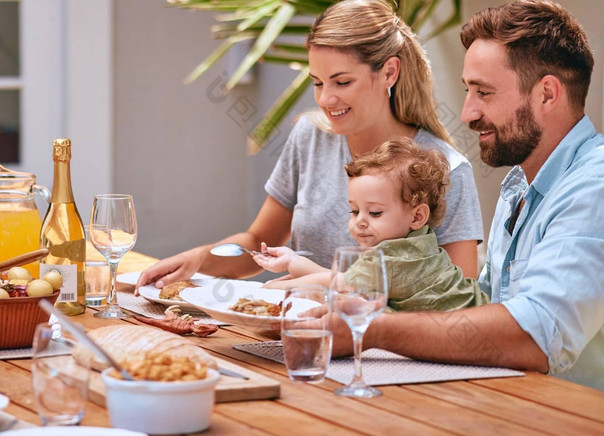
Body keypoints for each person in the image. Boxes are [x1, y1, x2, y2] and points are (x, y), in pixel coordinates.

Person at [327, 0, 604, 416]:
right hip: (541, 412)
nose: (467, 112)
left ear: (547, 94)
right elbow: (487, 311)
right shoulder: (519, 187)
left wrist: (370, 330)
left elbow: (533, 337)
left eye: (483, 92)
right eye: (468, 90)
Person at [135, 0, 483, 292]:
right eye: (317, 82)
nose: (326, 99)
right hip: (299, 339)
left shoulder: (446, 170)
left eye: (342, 81)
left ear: (389, 73)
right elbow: (258, 241)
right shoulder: (310, 138)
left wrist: (326, 289)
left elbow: (455, 299)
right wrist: (200, 259)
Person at [254, 137, 489, 311]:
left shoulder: (400, 257)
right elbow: (344, 280)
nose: (360, 222)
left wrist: (269, 291)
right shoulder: (414, 243)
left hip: (473, 331)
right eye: (354, 211)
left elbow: (337, 283)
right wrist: (293, 262)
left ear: (417, 217)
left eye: (375, 212)